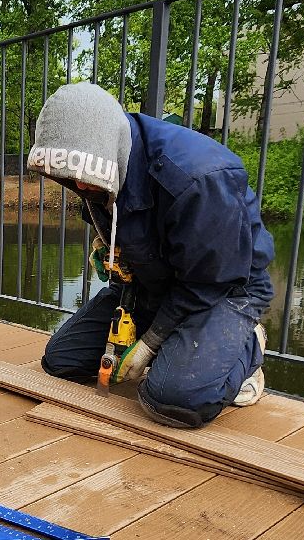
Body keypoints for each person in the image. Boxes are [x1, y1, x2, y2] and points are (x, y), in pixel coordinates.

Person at [26, 82, 275, 428]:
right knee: (61, 361)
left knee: (174, 401)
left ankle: (247, 347)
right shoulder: (102, 161)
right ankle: (178, 349)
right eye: (71, 178)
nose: (80, 186)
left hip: (223, 291)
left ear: (109, 152)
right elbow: (118, 217)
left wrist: (150, 343)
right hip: (152, 284)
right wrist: (107, 247)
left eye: (85, 177)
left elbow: (208, 282)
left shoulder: (199, 178)